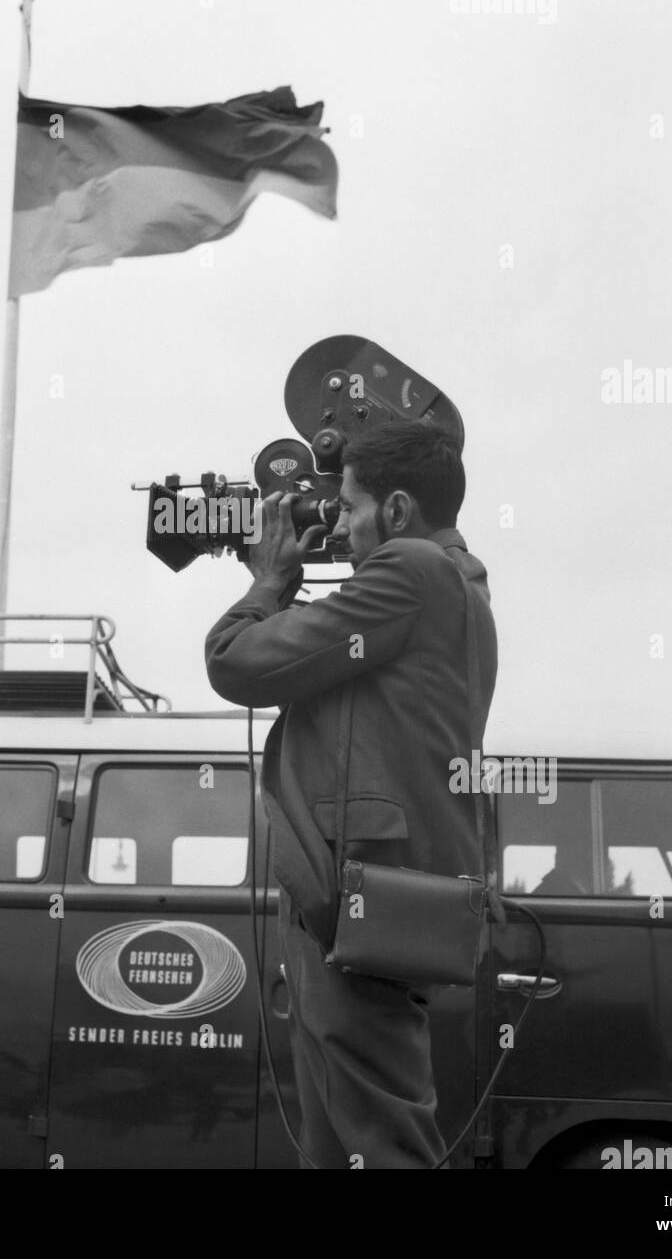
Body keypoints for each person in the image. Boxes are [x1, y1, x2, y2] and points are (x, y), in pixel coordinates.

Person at [204, 419, 497, 1168]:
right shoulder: (447, 582)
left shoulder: (411, 572)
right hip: (367, 894)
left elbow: (237, 664)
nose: (336, 522)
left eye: (350, 506)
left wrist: (269, 583)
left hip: (358, 894)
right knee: (341, 1149)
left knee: (382, 1146)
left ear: (396, 513)